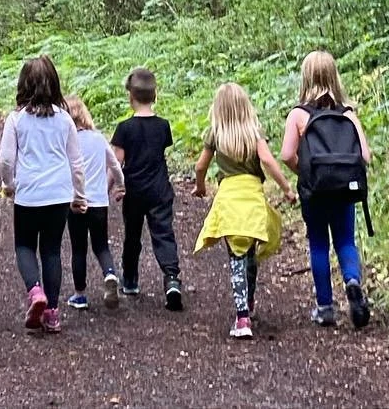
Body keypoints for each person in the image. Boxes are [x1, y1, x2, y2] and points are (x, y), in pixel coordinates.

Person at [193, 82, 295, 339]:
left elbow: (200, 166)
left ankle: (242, 318)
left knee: (235, 258)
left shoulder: (215, 134)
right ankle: (248, 301)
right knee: (249, 254)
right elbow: (269, 161)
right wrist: (286, 188)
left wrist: (200, 187)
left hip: (229, 200)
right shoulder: (253, 132)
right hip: (252, 200)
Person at [281, 50, 372, 329]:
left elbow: (286, 155)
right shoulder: (347, 114)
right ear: (335, 77)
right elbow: (365, 156)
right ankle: (353, 281)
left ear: (305, 78)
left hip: (315, 192)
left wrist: (305, 173)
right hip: (344, 191)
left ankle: (325, 308)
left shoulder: (299, 115)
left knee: (318, 243)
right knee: (345, 241)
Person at [0, 54, 87, 333]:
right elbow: (76, 162)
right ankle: (52, 312)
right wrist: (80, 195)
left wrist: (9, 185)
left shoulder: (17, 120)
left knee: (24, 245)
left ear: (24, 84)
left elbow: (5, 160)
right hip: (59, 194)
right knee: (51, 250)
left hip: (28, 194)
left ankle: (35, 292)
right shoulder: (65, 120)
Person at [110, 68, 183, 310]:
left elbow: (115, 163)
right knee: (163, 233)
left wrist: (110, 188)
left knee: (132, 236)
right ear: (155, 95)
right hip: (159, 189)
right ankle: (172, 278)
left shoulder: (124, 128)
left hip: (134, 191)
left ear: (130, 96)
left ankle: (130, 280)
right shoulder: (163, 126)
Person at [64, 96, 124, 310]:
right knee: (101, 245)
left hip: (76, 202)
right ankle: (110, 274)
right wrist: (120, 185)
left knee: (78, 248)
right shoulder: (98, 138)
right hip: (100, 202)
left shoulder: (67, 141)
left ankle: (80, 295)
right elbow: (115, 166)